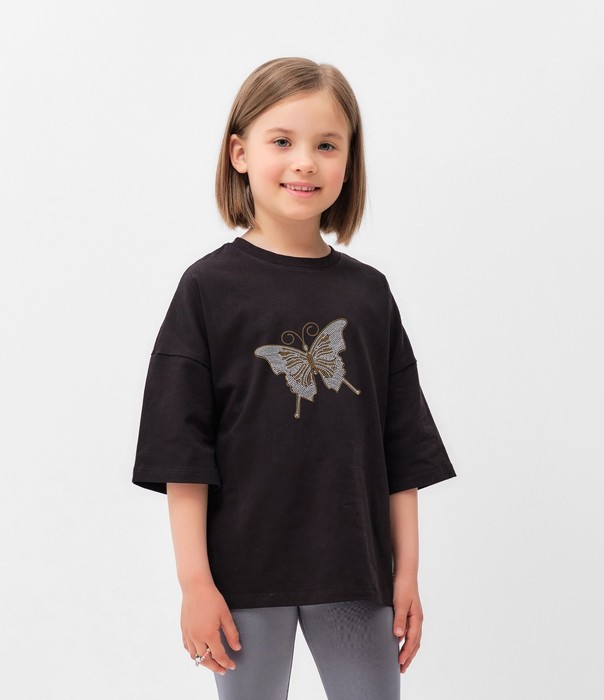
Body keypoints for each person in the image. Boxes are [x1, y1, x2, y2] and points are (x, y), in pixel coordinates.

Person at [131, 56, 457, 699]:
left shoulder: (369, 295)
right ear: (240, 153)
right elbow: (182, 452)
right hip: (243, 571)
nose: (304, 162)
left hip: (355, 569)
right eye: (282, 141)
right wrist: (195, 583)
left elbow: (403, 450)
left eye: (326, 145)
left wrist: (407, 574)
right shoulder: (207, 289)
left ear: (349, 161)